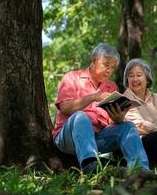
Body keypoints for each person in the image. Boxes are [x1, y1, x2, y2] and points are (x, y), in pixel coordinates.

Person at [52, 44, 149, 174]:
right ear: (94, 60)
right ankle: (90, 166)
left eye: (113, 67)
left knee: (128, 126)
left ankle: (141, 170)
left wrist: (118, 118)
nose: (109, 70)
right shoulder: (72, 77)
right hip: (68, 138)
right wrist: (94, 97)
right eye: (106, 64)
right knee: (81, 116)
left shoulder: (111, 87)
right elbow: (65, 108)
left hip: (96, 139)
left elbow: (111, 124)